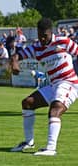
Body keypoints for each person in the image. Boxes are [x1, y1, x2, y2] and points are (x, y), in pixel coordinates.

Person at [10, 18, 78, 156]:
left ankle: (51, 148)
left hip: (69, 83)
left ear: (50, 33)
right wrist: (14, 63)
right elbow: (17, 55)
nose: (41, 38)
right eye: (39, 35)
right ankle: (29, 142)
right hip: (53, 85)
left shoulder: (63, 41)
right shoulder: (36, 48)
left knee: (55, 109)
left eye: (44, 36)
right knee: (27, 103)